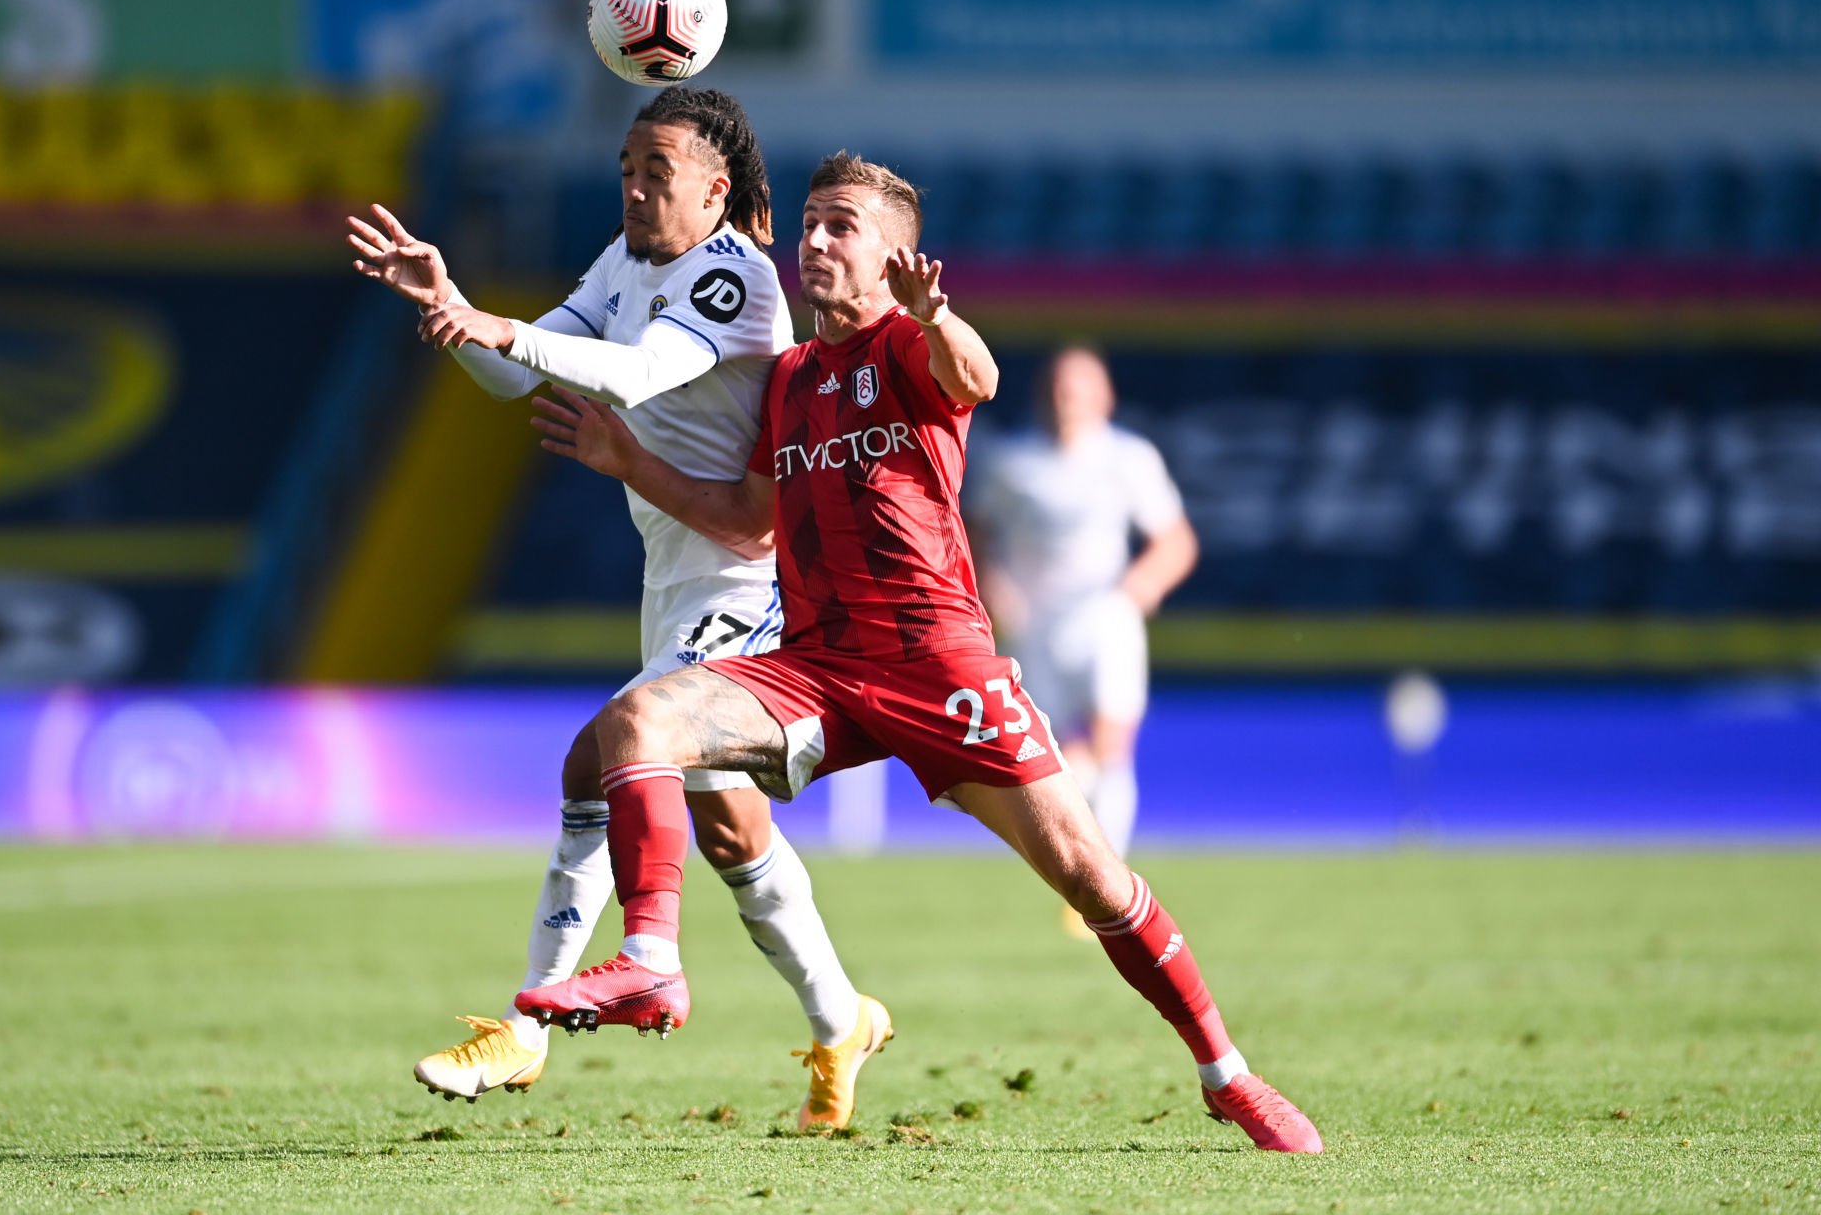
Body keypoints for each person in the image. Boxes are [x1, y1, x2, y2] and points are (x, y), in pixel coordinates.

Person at [515, 152, 1322, 1154]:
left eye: (840, 226)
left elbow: (973, 377)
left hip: (940, 667)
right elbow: (748, 519)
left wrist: (936, 315)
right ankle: (651, 956)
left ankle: (1225, 1073)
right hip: (817, 666)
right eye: (808, 222)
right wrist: (630, 461)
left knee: (1093, 877)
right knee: (635, 719)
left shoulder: (906, 344)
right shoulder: (790, 381)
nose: (813, 240)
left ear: (893, 254)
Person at [345, 88, 889, 1132]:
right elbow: (512, 379)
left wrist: (496, 322)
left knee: (597, 757)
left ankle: (525, 1026)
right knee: (730, 829)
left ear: (715, 188)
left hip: (750, 582)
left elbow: (638, 374)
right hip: (672, 573)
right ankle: (841, 1018)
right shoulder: (621, 262)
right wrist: (451, 303)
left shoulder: (731, 275)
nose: (637, 188)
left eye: (659, 172)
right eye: (628, 169)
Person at [968, 348, 1199, 930]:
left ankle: (1104, 888)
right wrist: (994, 589)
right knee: (1053, 761)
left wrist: (1133, 594)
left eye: (1080, 387)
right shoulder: (1012, 463)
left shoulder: (1129, 458)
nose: (1067, 398)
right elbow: (973, 534)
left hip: (1104, 617)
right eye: (1059, 387)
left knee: (1111, 745)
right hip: (1034, 626)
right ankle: (1084, 870)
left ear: (1105, 397)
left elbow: (1176, 542)